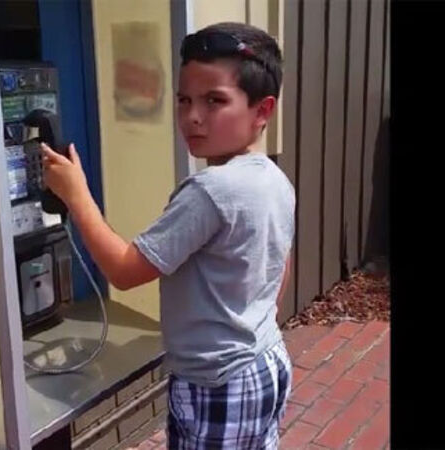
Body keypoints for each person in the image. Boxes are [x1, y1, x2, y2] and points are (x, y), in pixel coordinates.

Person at [41, 21, 295, 449]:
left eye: (215, 100)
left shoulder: (211, 191)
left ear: (262, 111)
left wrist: (75, 193)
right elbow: (281, 264)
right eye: (184, 99)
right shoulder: (273, 179)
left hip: (217, 383)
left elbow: (124, 271)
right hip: (264, 361)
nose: (192, 116)